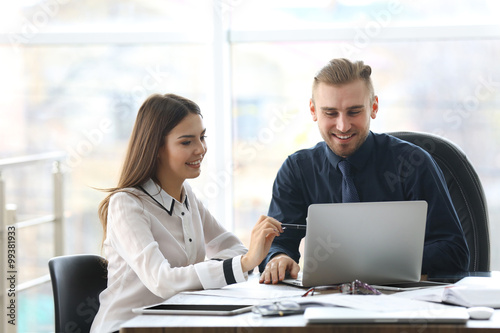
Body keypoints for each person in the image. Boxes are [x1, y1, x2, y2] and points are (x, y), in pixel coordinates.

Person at [258, 58, 470, 284]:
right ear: (313, 111)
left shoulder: (414, 163)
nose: (343, 126)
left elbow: (455, 252)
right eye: (330, 113)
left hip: (400, 305)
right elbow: (279, 242)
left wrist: (379, 262)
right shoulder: (297, 170)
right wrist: (278, 258)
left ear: (374, 107)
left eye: (354, 112)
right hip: (325, 304)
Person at [91, 93, 283, 333]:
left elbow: (234, 249)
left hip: (175, 325)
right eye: (186, 142)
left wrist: (223, 267)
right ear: (157, 147)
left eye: (202, 137)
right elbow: (162, 281)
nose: (200, 149)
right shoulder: (127, 204)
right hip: (124, 328)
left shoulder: (187, 196)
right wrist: (238, 265)